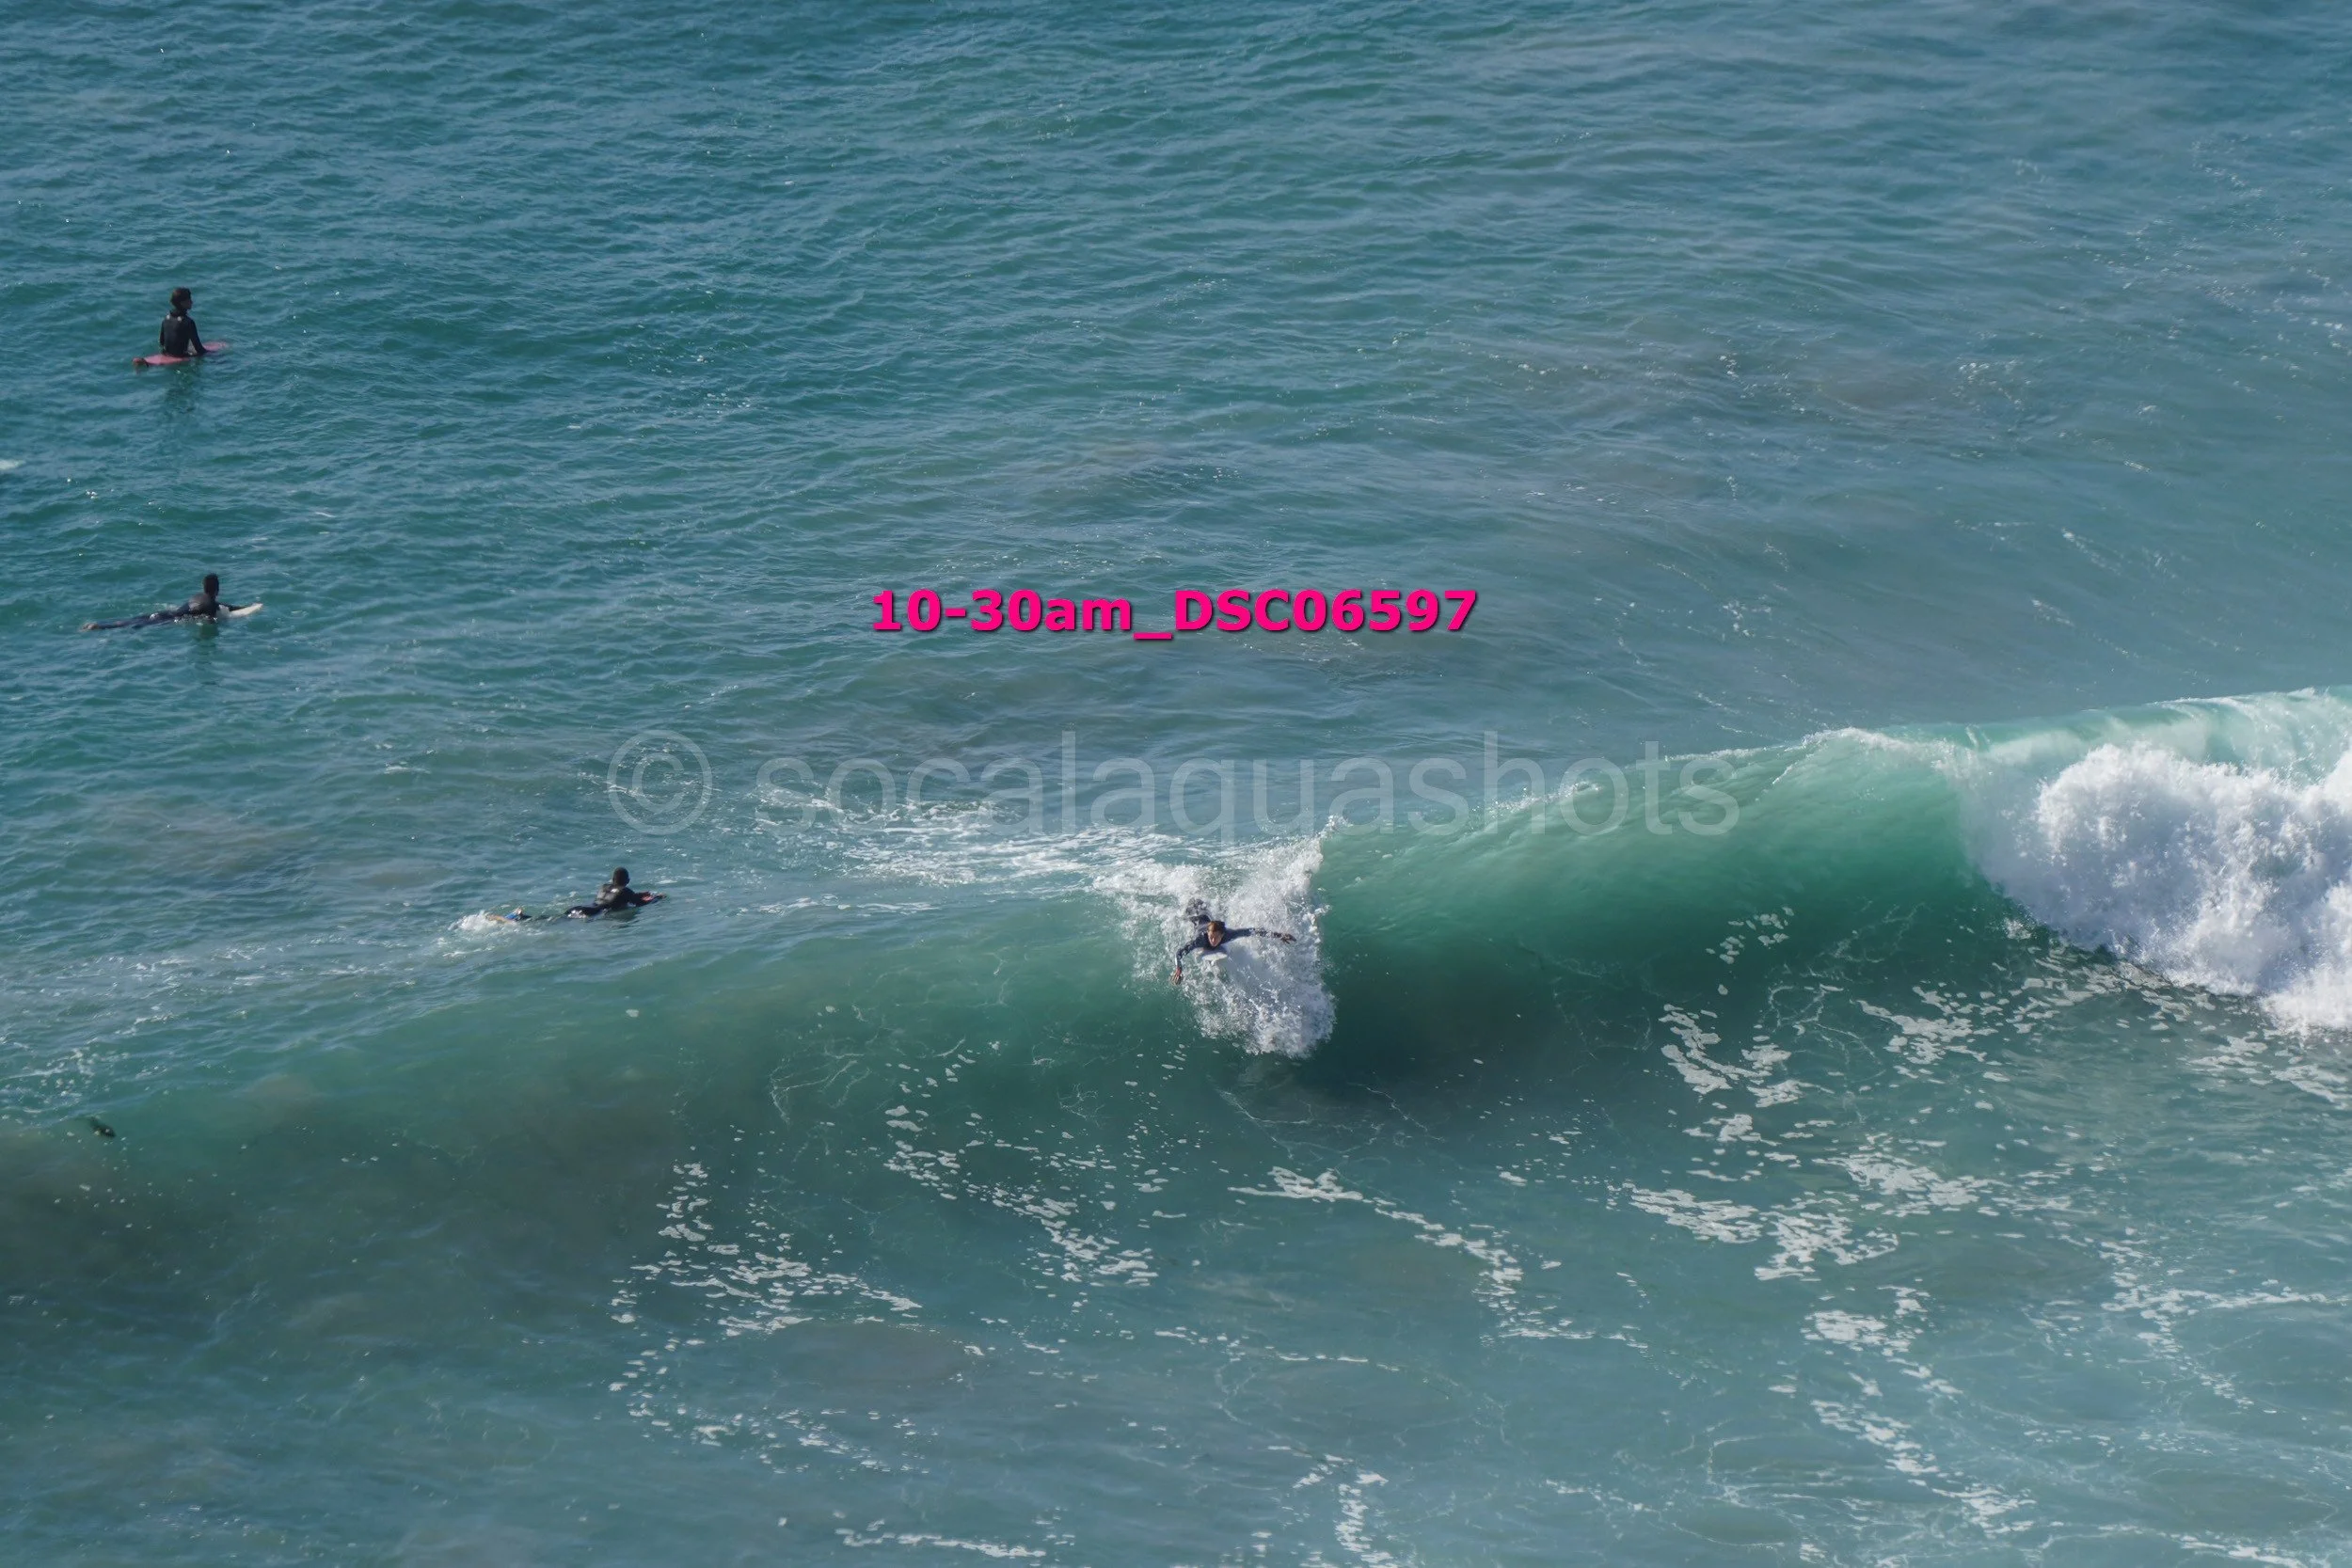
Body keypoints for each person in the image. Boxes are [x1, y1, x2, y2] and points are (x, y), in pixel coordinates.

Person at [82, 573, 248, 631]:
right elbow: (215, 617)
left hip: (165, 614)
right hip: (170, 621)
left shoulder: (197, 597)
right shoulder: (211, 605)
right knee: (136, 626)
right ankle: (100, 627)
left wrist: (244, 608)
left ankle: (101, 625)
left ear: (203, 587)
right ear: (217, 591)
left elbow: (226, 607)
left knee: (133, 621)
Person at [1172, 907, 1295, 982]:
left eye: (1216, 938)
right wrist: (1179, 968)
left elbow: (1251, 931)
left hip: (1206, 916)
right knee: (1186, 914)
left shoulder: (1228, 934)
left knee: (1207, 912)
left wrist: (1279, 936)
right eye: (1211, 937)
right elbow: (1180, 953)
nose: (1213, 941)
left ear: (1222, 935)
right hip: (1196, 918)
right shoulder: (1200, 940)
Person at [567, 867, 663, 919]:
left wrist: (639, 894)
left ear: (613, 880)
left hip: (580, 907)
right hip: (594, 913)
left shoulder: (604, 886)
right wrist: (657, 898)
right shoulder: (626, 891)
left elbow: (616, 895)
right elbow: (640, 903)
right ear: (628, 881)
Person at [159, 288, 209, 358]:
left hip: (166, 353)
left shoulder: (166, 318)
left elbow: (161, 342)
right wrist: (211, 354)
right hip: (181, 356)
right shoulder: (188, 322)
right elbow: (199, 349)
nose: (192, 302)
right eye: (189, 300)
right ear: (182, 303)